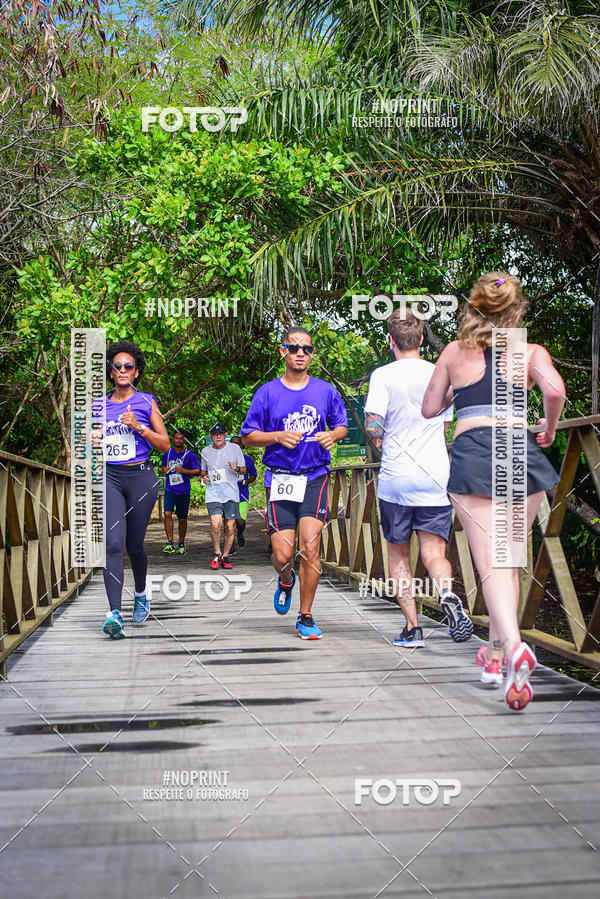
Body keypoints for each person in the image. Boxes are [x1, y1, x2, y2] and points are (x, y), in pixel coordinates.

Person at [422, 272, 565, 711]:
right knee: (508, 559)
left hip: (476, 452)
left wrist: (454, 394)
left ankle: (515, 647)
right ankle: (501, 652)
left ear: (473, 309)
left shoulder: (453, 353)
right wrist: (550, 428)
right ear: (517, 310)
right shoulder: (529, 352)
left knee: (490, 567)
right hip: (521, 450)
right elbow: (555, 389)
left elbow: (429, 408)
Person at [365, 309, 473, 648]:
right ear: (422, 340)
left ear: (391, 341)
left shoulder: (382, 375)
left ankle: (412, 629)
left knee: (398, 557)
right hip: (435, 476)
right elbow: (442, 427)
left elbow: (372, 425)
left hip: (397, 478)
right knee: (434, 553)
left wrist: (380, 439)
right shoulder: (438, 374)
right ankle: (446, 595)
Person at [240, 326, 348, 639]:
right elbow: (247, 437)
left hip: (315, 476)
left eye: (307, 349)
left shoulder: (325, 390)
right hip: (281, 479)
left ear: (312, 354)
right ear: (283, 351)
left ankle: (306, 616)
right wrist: (276, 436)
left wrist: (332, 435)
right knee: (284, 555)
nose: (301, 353)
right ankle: (285, 579)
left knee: (311, 548)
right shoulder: (268, 392)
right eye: (294, 347)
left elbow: (340, 426)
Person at [94, 341, 170, 639]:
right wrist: (92, 438)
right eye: (117, 366)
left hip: (141, 478)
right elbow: (87, 442)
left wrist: (139, 427)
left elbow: (164, 445)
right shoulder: (98, 405)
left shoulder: (147, 401)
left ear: (136, 372)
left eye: (128, 366)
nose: (122, 370)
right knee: (113, 544)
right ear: (111, 372)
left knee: (135, 545)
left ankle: (140, 594)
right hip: (111, 477)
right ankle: (114, 613)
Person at [200, 424, 245, 570]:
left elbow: (244, 470)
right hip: (213, 493)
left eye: (221, 434)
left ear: (226, 435)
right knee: (215, 523)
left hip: (230, 493)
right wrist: (205, 478)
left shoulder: (235, 449)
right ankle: (216, 553)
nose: (218, 436)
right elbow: (203, 472)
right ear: (211, 436)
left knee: (230, 527)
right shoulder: (205, 451)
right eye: (215, 434)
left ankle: (225, 556)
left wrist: (236, 468)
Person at [161, 428, 201, 555]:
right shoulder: (167, 453)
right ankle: (169, 543)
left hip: (183, 490)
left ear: (184, 440)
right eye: (176, 438)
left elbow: (197, 471)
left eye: (181, 438)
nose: (178, 440)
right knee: (167, 513)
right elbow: (163, 467)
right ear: (173, 439)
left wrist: (184, 471)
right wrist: (165, 470)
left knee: (182, 519)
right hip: (170, 489)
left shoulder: (190, 455)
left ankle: (181, 544)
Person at [229, 435, 257, 554]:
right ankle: (230, 546)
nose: (236, 446)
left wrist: (248, 481)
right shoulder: (225, 459)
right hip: (228, 494)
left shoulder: (248, 460)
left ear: (242, 446)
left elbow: (254, 475)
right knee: (229, 522)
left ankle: (240, 533)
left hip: (242, 494)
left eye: (238, 443)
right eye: (233, 443)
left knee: (240, 522)